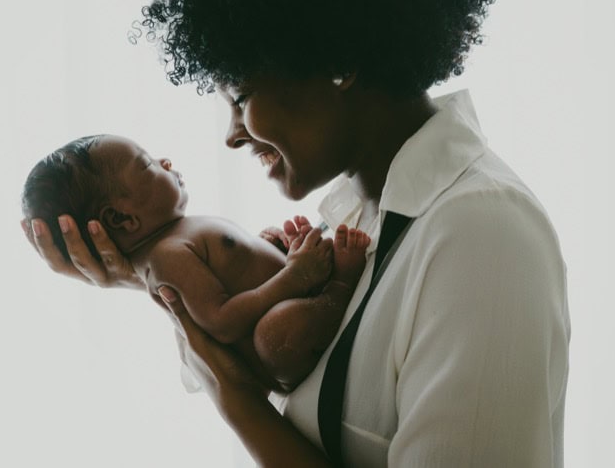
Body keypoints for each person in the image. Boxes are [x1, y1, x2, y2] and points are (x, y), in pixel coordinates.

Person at [22, 0, 571, 466]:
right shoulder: (355, 218)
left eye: (240, 98)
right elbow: (275, 360)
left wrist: (236, 403)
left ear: (337, 60)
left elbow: (253, 385)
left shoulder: (480, 233)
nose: (232, 136)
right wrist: (156, 279)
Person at [21, 134, 371, 393]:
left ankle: (321, 287)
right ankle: (340, 288)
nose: (165, 162)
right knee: (274, 333)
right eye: (146, 164)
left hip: (296, 304)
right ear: (122, 219)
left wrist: (275, 249)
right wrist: (293, 276)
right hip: (283, 347)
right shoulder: (165, 257)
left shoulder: (177, 236)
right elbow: (222, 322)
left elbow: (235, 276)